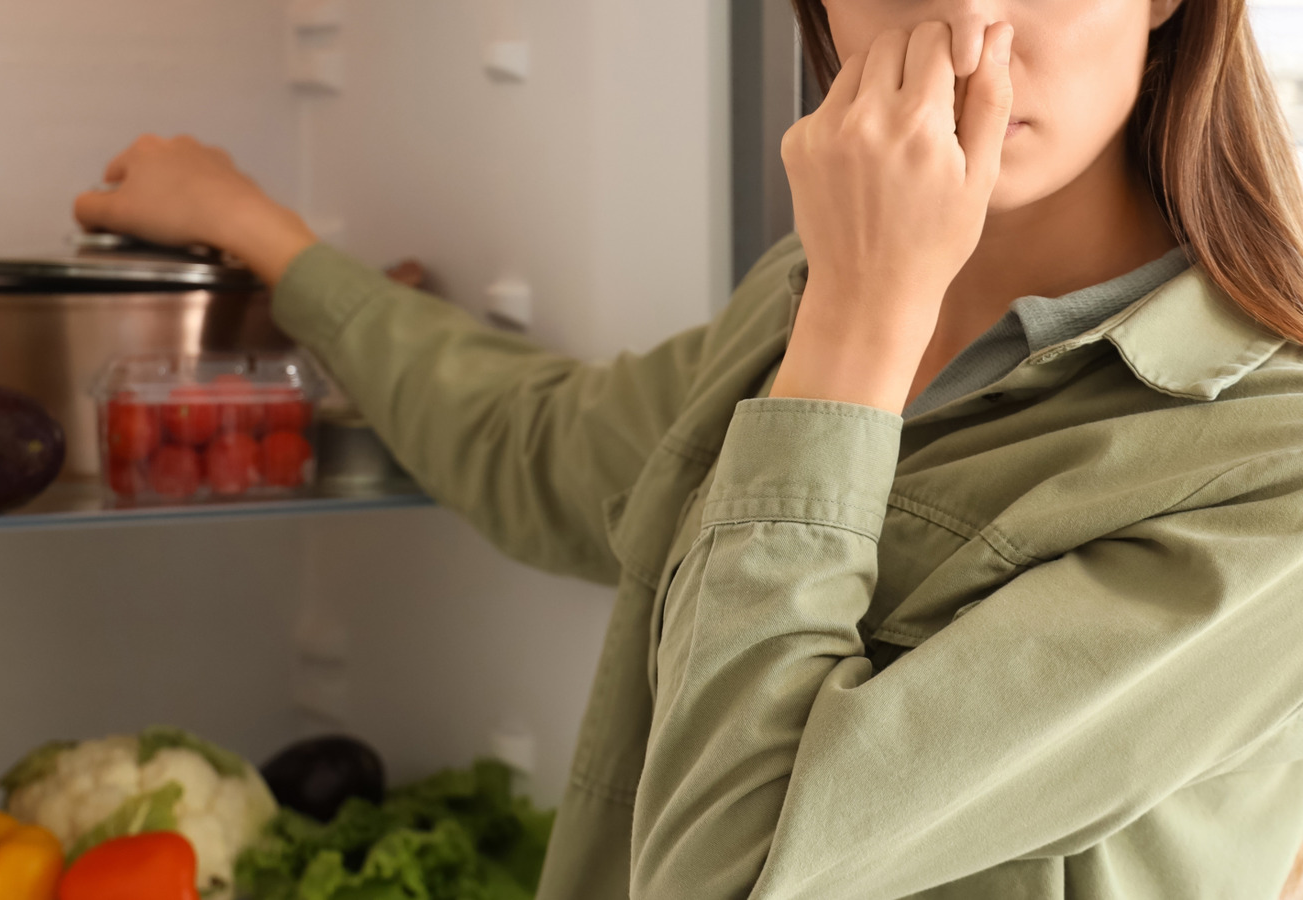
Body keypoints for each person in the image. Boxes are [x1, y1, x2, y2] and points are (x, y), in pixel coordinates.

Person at [74, 0, 1303, 895]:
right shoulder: (804, 297)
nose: (971, 32)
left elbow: (734, 867)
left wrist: (860, 329)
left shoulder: (1270, 468)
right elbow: (543, 452)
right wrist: (267, 238)